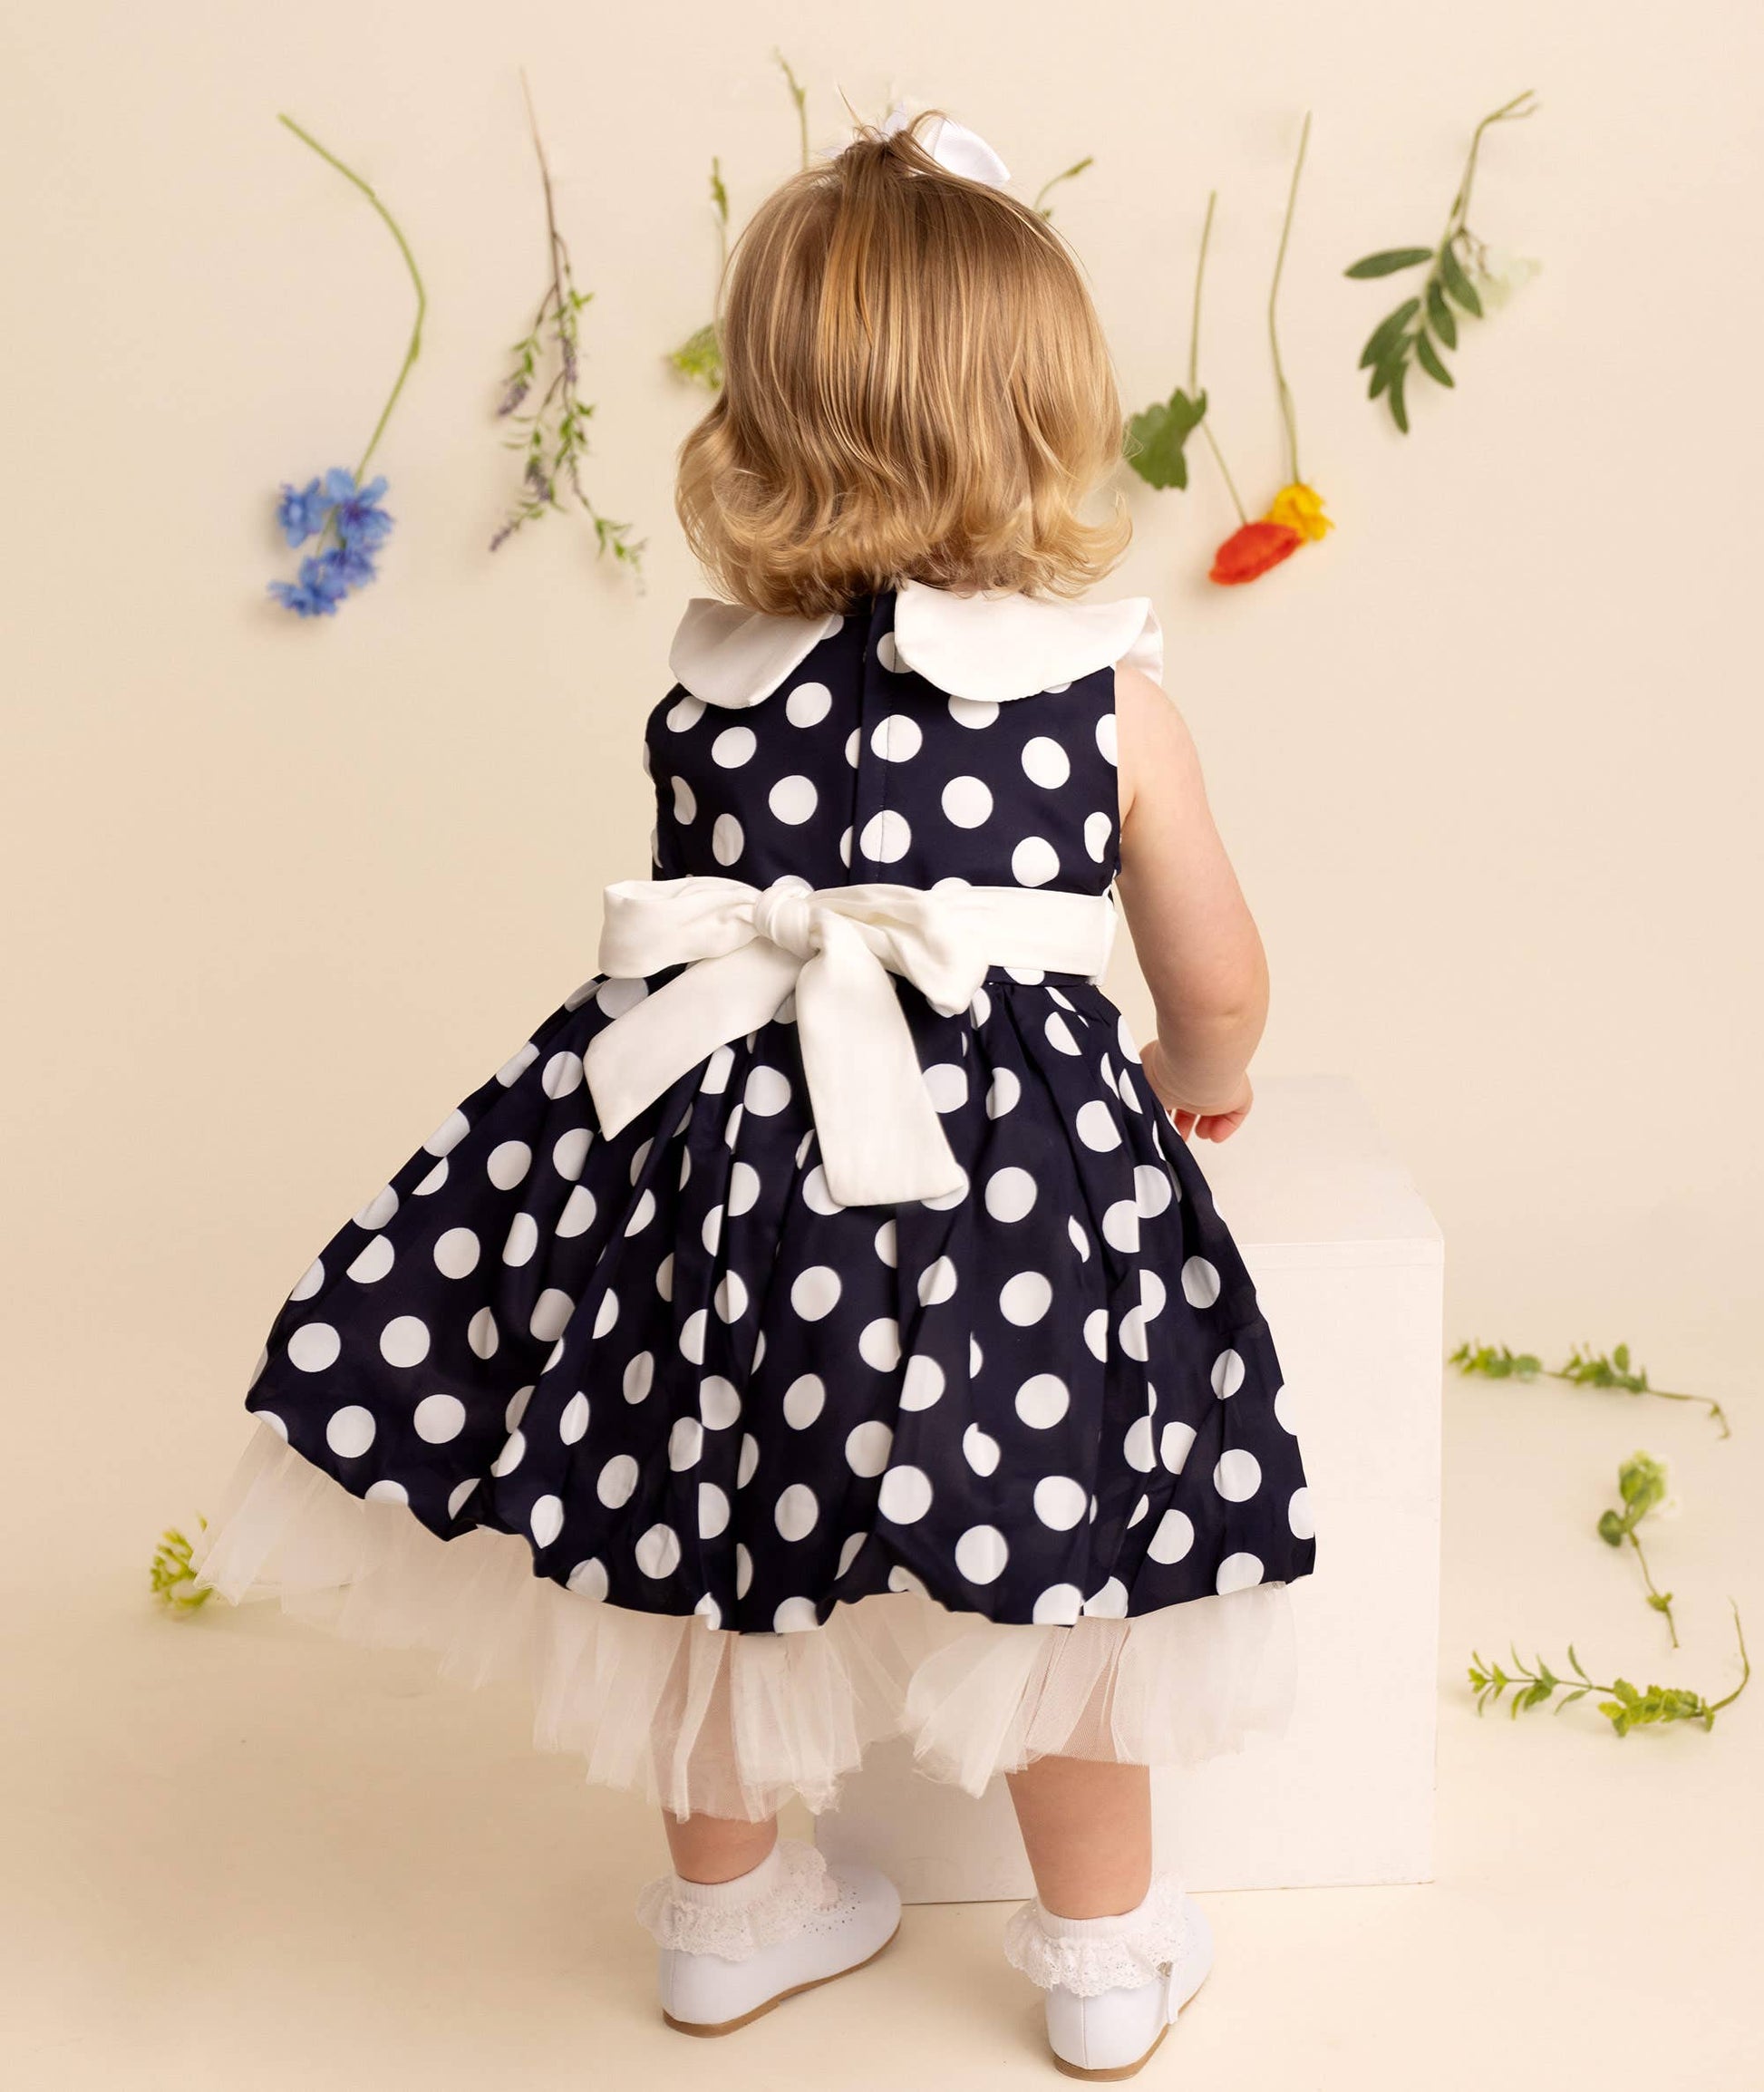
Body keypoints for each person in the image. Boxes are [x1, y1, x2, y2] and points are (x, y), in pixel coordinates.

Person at [194, 109, 1315, 2079]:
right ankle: (1103, 1953)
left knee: (707, 1524)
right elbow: (1216, 978)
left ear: (762, 416)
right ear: (1051, 411)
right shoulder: (1103, 695)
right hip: (1012, 1218)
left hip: (728, 1179)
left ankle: (727, 1919)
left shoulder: (713, 677)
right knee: (1064, 1568)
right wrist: (1187, 1078)